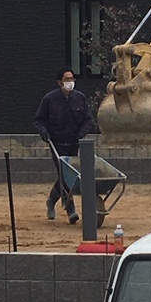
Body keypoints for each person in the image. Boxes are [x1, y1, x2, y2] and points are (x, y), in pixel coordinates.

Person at [33, 68, 95, 222]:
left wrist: (81, 134)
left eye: (72, 79)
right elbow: (39, 120)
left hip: (74, 143)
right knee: (66, 175)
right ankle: (70, 209)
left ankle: (51, 201)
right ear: (59, 82)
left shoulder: (79, 98)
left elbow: (88, 119)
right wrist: (44, 133)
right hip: (57, 143)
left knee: (68, 176)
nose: (70, 82)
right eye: (67, 79)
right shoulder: (49, 99)